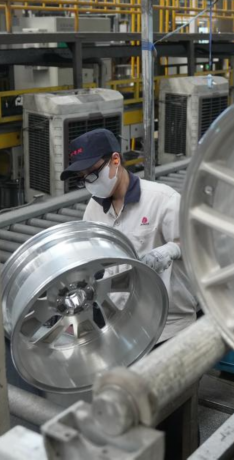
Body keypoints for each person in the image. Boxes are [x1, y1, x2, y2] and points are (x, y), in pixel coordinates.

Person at [60, 129, 197, 343]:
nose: (89, 183)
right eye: (82, 179)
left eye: (92, 173)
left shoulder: (163, 200)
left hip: (170, 326)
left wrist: (170, 249)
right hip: (121, 327)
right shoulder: (94, 210)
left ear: (115, 160)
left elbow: (196, 246)